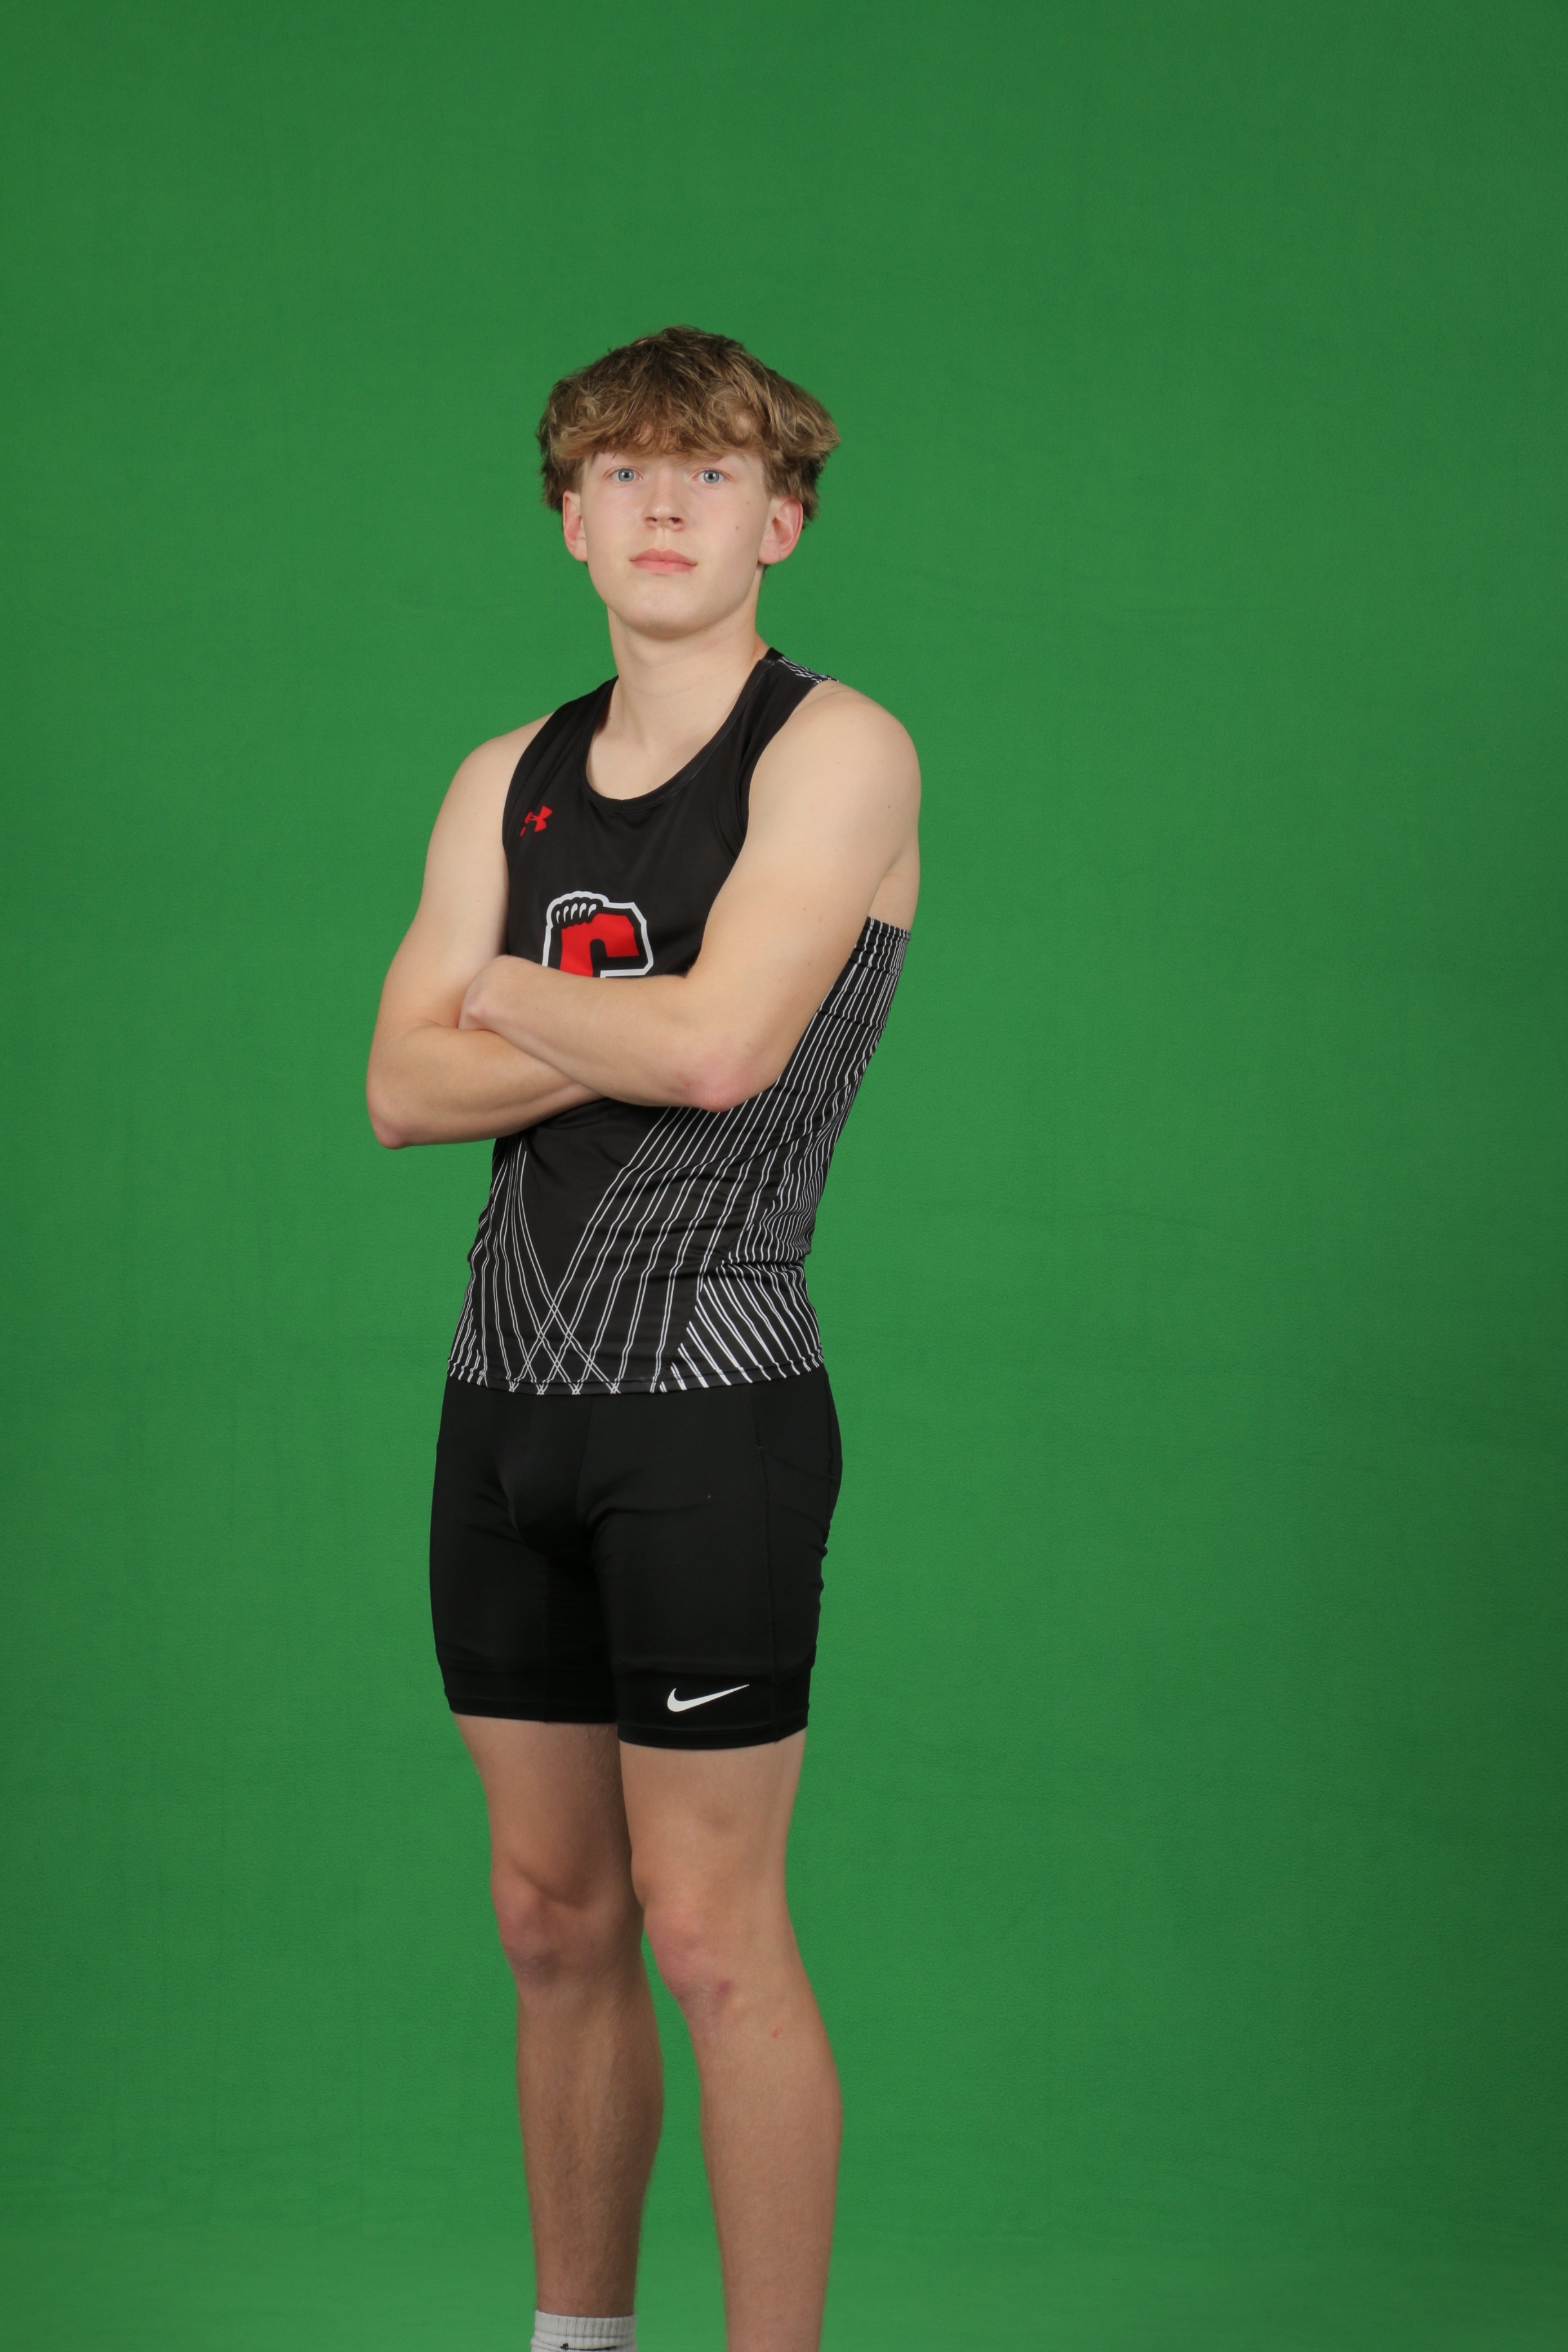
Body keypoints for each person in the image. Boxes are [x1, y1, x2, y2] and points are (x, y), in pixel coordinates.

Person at [366, 325, 919, 2352]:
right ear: (569, 523)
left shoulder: (836, 751)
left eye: (710, 472)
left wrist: (504, 992)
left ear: (781, 520)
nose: (663, 502)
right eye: (620, 471)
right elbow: (396, 1090)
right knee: (549, 1918)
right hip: (501, 1413)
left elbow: (720, 1052)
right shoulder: (500, 777)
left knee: (707, 1931)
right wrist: (603, 1011)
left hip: (712, 1412)